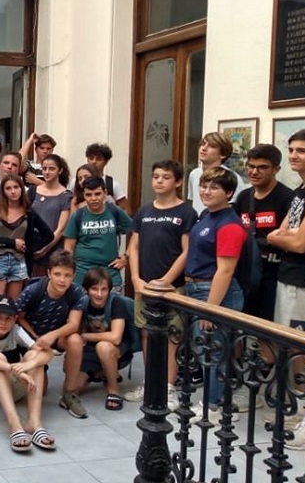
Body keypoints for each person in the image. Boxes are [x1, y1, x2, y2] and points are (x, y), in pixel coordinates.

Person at [124, 160, 197, 409]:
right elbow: (133, 247)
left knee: (171, 336)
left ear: (177, 182)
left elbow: (187, 251)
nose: (159, 181)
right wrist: (135, 278)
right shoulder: (144, 211)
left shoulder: (186, 212)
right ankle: (151, 383)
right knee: (146, 333)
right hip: (144, 286)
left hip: (172, 287)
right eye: (156, 176)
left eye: (165, 177)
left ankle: (169, 387)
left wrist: (166, 279)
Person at [266, 128, 305, 449]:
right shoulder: (302, 189)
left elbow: (299, 242)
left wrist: (283, 238)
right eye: (291, 150)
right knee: (292, 347)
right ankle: (302, 408)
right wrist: (280, 237)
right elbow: (278, 233)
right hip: (287, 277)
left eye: (301, 151)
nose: (293, 156)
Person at [184, 166, 246, 423]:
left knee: (213, 352)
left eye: (214, 187)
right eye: (204, 186)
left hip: (213, 292)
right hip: (196, 289)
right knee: (204, 351)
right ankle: (215, 399)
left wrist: (211, 308)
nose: (206, 191)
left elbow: (226, 270)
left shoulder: (229, 224)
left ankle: (214, 406)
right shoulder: (205, 216)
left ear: (229, 192)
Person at [0, 294, 55, 452]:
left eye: (8, 318)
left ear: (15, 319)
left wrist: (30, 364)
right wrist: (15, 370)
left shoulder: (17, 330)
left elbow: (48, 353)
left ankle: (34, 422)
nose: (3, 322)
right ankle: (15, 425)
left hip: (12, 387)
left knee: (34, 357)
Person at [15, 250, 89, 419]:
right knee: (42, 390)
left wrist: (51, 336)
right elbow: (19, 319)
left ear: (74, 275)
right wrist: (35, 338)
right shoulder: (33, 291)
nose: (62, 280)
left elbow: (74, 324)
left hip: (57, 336)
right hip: (32, 339)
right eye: (57, 274)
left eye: (67, 275)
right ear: (48, 273)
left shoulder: (76, 293)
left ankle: (69, 394)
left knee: (76, 341)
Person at [233, 144, 292, 322]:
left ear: (276, 169)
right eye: (251, 166)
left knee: (267, 333)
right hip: (244, 275)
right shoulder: (243, 197)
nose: (254, 172)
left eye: (262, 167)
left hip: (273, 277)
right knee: (237, 326)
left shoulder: (286, 197)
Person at [0, 175, 53, 300]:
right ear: (3, 191)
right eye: (8, 188)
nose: (13, 191)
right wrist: (12, 243)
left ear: (21, 189)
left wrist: (29, 249)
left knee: (13, 306)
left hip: (19, 261)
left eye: (16, 187)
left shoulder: (28, 212)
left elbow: (48, 235)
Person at [74, 268, 135, 411]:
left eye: (104, 289)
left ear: (109, 290)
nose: (99, 294)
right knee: (73, 387)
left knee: (104, 347)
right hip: (91, 350)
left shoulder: (116, 302)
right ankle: (101, 372)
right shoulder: (82, 304)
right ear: (86, 290)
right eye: (94, 289)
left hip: (118, 351)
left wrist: (86, 336)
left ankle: (113, 390)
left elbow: (116, 337)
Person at [63, 176, 132, 290]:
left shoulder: (115, 211)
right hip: (82, 276)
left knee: (113, 307)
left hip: (110, 274)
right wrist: (70, 273)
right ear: (84, 195)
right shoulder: (78, 215)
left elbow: (136, 233)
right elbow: (68, 249)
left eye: (97, 194)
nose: (93, 198)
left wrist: (126, 257)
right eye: (88, 195)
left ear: (105, 193)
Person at [28, 154, 74, 276]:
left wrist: (45, 248)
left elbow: (61, 228)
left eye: (52, 169)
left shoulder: (65, 196)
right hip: (32, 246)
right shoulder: (32, 191)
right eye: (44, 168)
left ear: (60, 170)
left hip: (53, 248)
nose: (47, 172)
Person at [187, 132, 248, 215]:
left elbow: (240, 207)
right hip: (199, 224)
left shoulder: (231, 177)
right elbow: (194, 202)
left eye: (212, 146)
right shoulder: (194, 174)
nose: (203, 148)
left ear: (223, 154)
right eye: (203, 144)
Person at [84, 143, 130, 214]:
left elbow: (126, 210)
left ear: (106, 162)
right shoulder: (77, 182)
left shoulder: (113, 184)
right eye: (91, 158)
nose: (94, 162)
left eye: (99, 159)